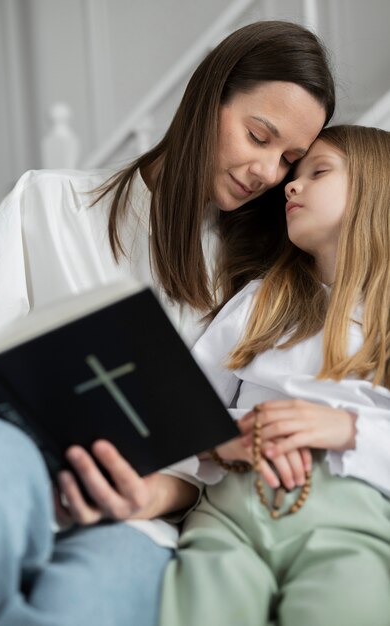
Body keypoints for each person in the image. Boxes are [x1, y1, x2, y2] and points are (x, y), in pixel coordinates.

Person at [0, 20, 336, 626]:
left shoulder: (261, 284)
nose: (268, 173)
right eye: (257, 135)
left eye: (291, 160)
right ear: (207, 96)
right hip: (12, 461)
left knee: (79, 608)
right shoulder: (48, 204)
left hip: (141, 519)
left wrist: (153, 494)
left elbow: (225, 460)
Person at [160, 124, 390, 626]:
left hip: (348, 517)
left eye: (318, 172)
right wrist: (221, 442)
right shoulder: (261, 300)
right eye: (295, 174)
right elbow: (182, 411)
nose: (289, 184)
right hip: (228, 511)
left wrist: (350, 430)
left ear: (377, 190)